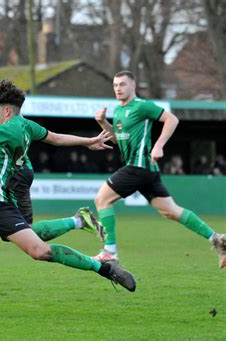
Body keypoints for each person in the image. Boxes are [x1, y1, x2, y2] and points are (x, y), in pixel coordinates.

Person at [0, 80, 137, 293]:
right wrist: (87, 141)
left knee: (41, 252)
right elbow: (56, 138)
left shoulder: (6, 130)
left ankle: (106, 268)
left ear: (7, 111)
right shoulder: (26, 125)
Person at [91, 70, 225, 268]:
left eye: (122, 84)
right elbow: (119, 141)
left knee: (102, 199)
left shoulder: (143, 106)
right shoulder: (119, 110)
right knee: (171, 211)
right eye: (115, 85)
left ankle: (110, 251)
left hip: (139, 167)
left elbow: (172, 119)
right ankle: (217, 240)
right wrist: (103, 123)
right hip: (146, 170)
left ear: (133, 86)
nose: (118, 88)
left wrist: (159, 145)